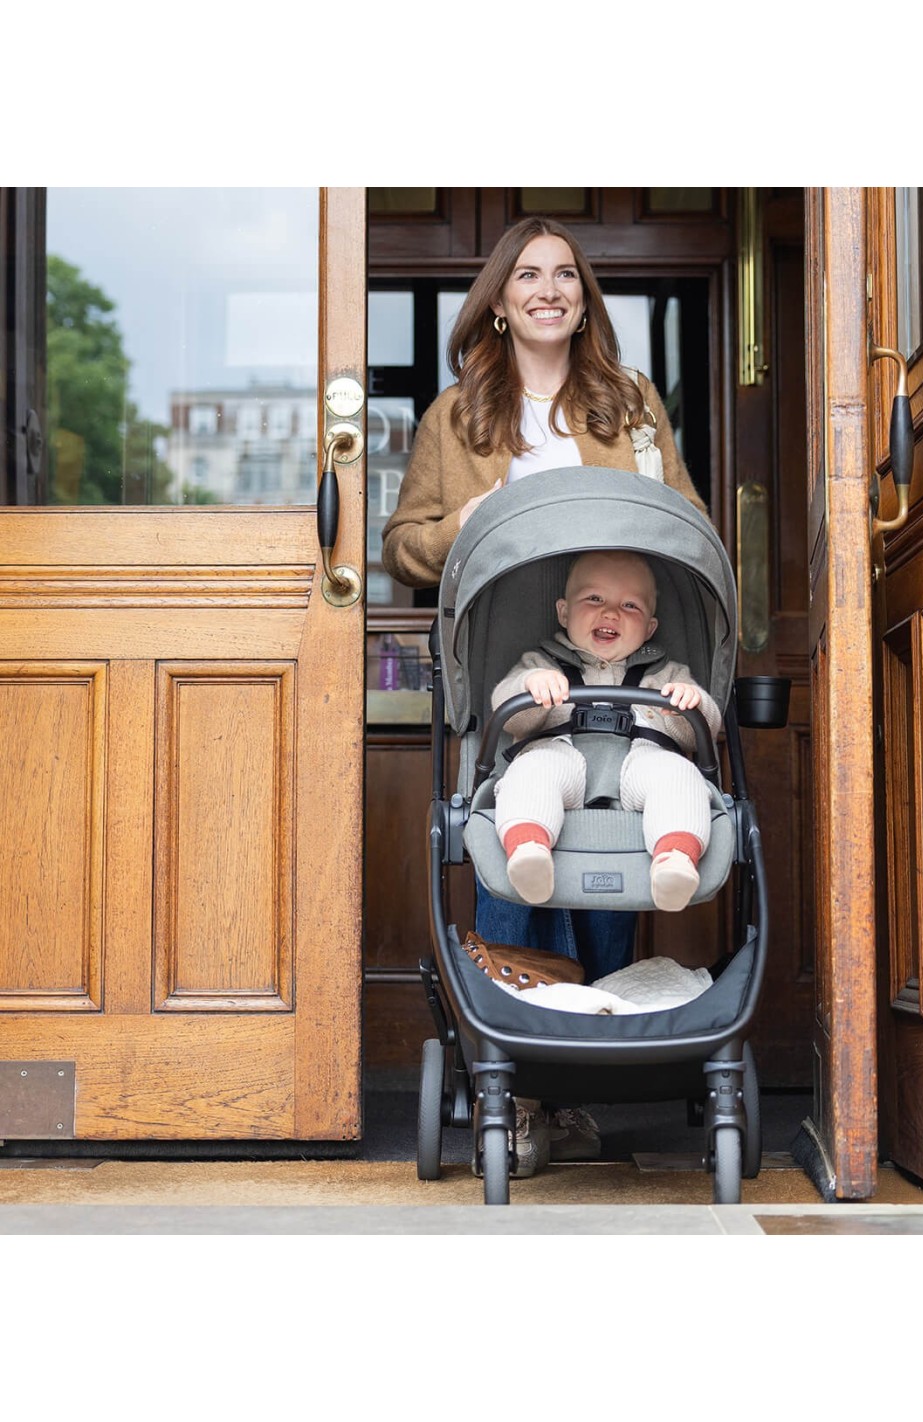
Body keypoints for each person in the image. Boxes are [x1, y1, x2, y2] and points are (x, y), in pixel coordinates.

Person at [380, 216, 711, 1174]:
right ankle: (521, 1089)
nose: (549, 290)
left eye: (566, 274)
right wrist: (465, 521)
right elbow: (403, 547)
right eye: (528, 275)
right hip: (514, 667)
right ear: (499, 300)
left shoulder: (630, 402)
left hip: (620, 667)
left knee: (606, 858)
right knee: (513, 852)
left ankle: (585, 1075)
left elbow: (685, 520)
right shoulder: (458, 416)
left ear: (583, 298)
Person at [492, 549, 721, 914]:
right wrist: (532, 688)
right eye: (594, 599)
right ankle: (528, 850)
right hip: (560, 755)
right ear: (564, 612)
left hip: (641, 764)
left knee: (679, 775)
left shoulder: (666, 673)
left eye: (630, 605)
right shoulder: (541, 664)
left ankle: (675, 859)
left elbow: (699, 735)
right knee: (530, 771)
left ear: (649, 628)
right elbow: (509, 717)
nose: (611, 613)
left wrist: (688, 705)